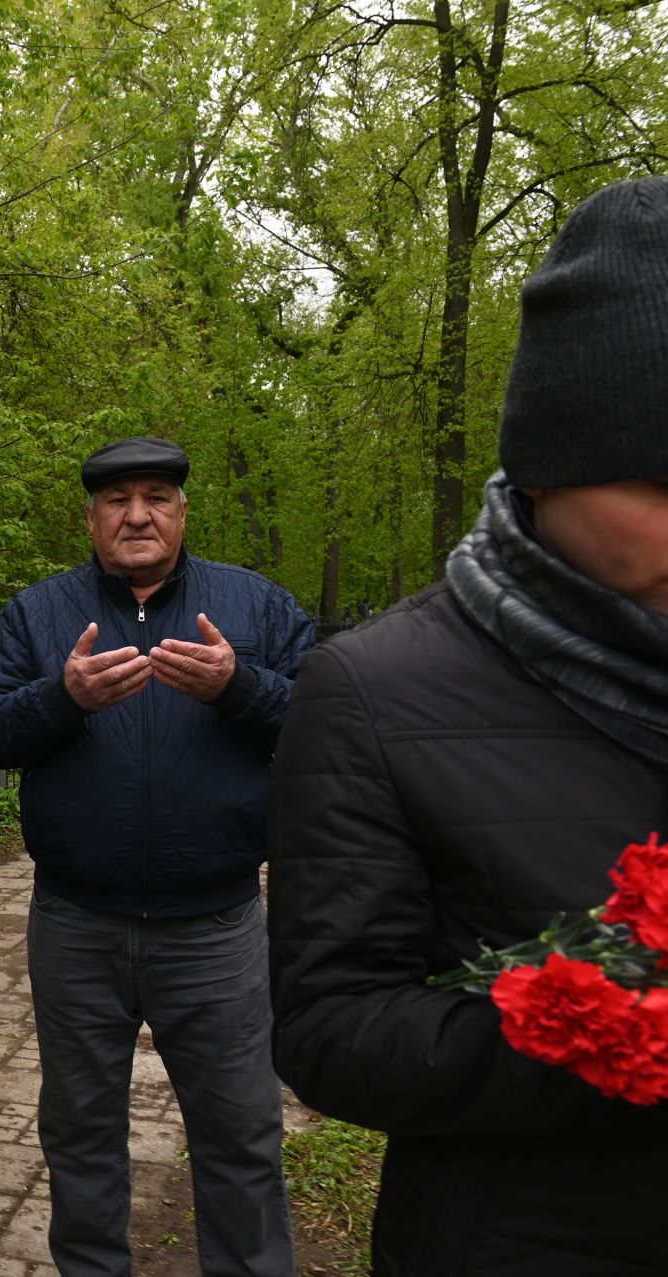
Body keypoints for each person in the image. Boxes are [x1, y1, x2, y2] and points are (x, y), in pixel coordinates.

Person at [268, 176, 668, 1277]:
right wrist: (611, 1029)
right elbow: (330, 1028)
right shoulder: (375, 688)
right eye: (663, 482)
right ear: (549, 465)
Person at [0, 436, 310, 1277]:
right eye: (118, 501)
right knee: (79, 1137)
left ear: (184, 512)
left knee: (241, 1136)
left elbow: (324, 721)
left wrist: (240, 686)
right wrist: (61, 698)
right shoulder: (42, 613)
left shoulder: (252, 606)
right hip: (76, 924)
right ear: (92, 518)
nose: (138, 514)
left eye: (157, 496)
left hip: (218, 927)